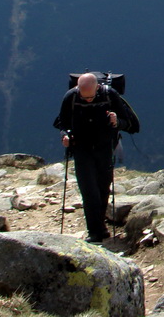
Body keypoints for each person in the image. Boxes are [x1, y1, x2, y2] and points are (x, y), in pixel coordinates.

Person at [53, 72, 131, 243]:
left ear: (97, 87)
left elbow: (128, 122)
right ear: (77, 89)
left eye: (90, 97)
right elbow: (62, 123)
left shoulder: (110, 95)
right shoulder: (70, 97)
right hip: (81, 149)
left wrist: (117, 121)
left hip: (105, 149)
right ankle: (93, 231)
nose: (87, 100)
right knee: (89, 190)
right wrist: (65, 136)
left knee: (103, 189)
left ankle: (101, 228)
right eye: (84, 96)